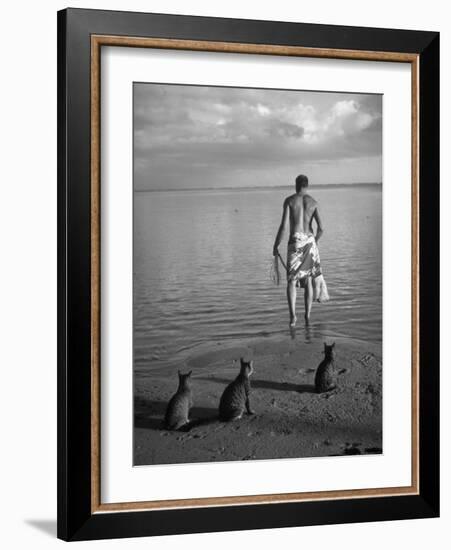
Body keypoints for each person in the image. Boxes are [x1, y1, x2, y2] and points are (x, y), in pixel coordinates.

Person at [273, 174, 324, 327]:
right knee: (308, 279)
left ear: (296, 185)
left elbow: (283, 227)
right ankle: (307, 316)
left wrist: (275, 245)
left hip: (295, 241)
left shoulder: (289, 201)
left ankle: (293, 317)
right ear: (307, 186)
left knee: (292, 280)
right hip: (309, 241)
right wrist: (315, 241)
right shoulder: (314, 202)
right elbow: (321, 229)